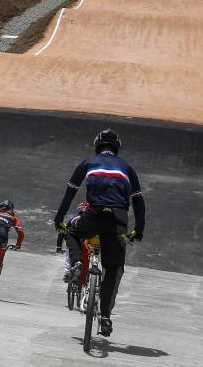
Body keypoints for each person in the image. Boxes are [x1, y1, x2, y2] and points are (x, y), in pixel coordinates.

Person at [54, 129, 145, 337]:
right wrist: (138, 230)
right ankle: (105, 317)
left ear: (97, 145)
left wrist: (58, 220)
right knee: (113, 269)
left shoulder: (88, 162)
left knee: (73, 233)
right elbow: (139, 201)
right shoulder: (127, 168)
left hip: (93, 213)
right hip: (119, 219)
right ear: (116, 147)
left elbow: (70, 193)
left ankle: (77, 262)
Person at [57, 202, 92, 284]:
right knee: (87, 258)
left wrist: (59, 247)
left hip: (73, 240)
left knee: (69, 255)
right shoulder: (91, 220)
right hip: (86, 242)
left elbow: (64, 232)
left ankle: (67, 273)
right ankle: (84, 280)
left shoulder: (74, 219)